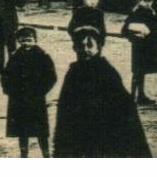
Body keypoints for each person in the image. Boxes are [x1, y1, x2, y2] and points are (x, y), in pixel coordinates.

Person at [52, 26, 151, 158]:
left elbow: (124, 106)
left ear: (98, 47)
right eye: (80, 46)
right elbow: (65, 108)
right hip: (81, 133)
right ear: (74, 48)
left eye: (90, 46)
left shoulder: (106, 70)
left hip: (104, 133)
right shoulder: (73, 72)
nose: (85, 50)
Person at [0, 26, 56, 158]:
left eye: (29, 39)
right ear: (18, 41)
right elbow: (6, 75)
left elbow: (51, 76)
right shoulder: (15, 57)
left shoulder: (42, 56)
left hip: (36, 99)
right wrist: (9, 90)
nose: (26, 43)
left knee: (41, 130)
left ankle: (46, 154)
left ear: (35, 40)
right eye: (23, 40)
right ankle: (23, 153)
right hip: (18, 99)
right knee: (22, 130)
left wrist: (41, 91)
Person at [120, 0, 157, 105]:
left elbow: (156, 27)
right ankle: (133, 96)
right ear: (141, 1)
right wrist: (135, 35)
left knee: (142, 71)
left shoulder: (152, 11)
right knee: (137, 71)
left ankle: (140, 95)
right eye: (145, 1)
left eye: (150, 1)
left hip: (149, 45)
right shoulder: (136, 12)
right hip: (139, 46)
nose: (148, 3)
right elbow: (125, 30)